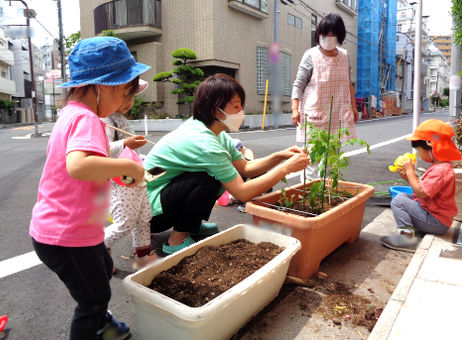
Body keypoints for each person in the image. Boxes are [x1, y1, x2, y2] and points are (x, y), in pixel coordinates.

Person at [29, 36, 150, 340]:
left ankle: (101, 322)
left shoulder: (72, 114)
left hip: (75, 230)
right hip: (67, 236)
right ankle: (95, 324)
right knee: (93, 297)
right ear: (102, 86)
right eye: (125, 92)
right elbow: (79, 166)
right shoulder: (87, 119)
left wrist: (117, 171)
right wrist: (130, 167)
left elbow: (88, 166)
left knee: (103, 267)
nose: (127, 102)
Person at [144, 73, 310, 255]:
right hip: (148, 213)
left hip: (161, 196)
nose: (241, 113)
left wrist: (280, 156)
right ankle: (176, 240)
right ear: (216, 110)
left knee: (216, 174)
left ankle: (190, 225)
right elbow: (242, 192)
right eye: (236, 107)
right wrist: (287, 168)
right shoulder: (204, 143)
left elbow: (246, 167)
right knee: (208, 178)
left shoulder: (214, 132)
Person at [290, 13, 358, 180]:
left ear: (339, 36)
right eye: (325, 33)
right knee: (312, 158)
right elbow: (299, 84)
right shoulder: (311, 55)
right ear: (318, 34)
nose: (328, 37)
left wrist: (354, 108)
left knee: (332, 159)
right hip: (315, 115)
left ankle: (325, 194)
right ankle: (308, 195)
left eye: (332, 34)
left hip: (338, 115)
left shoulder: (345, 56)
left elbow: (349, 84)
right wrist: (294, 109)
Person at [101, 79, 158, 272]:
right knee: (125, 223)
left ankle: (142, 257)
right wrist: (126, 144)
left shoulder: (118, 118)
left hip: (134, 176)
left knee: (144, 218)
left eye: (133, 96)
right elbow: (103, 150)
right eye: (126, 96)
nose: (130, 101)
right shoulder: (104, 120)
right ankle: (98, 249)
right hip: (120, 179)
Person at [381, 119, 462, 253]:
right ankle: (411, 229)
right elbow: (424, 189)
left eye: (419, 151)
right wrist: (408, 177)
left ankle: (406, 237)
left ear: (431, 146)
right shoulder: (440, 167)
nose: (419, 155)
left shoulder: (441, 170)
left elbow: (421, 192)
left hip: (436, 222)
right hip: (435, 217)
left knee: (399, 201)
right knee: (405, 196)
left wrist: (410, 171)